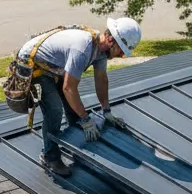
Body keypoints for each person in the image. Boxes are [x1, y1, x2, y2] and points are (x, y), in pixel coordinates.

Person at [16, 18, 142, 177]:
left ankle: (77, 146)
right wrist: (85, 119)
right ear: (111, 40)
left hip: (56, 66)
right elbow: (69, 88)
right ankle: (50, 157)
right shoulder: (83, 48)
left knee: (74, 109)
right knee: (55, 109)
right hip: (34, 66)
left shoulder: (101, 52)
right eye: (122, 51)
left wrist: (106, 110)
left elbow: (101, 79)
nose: (120, 56)